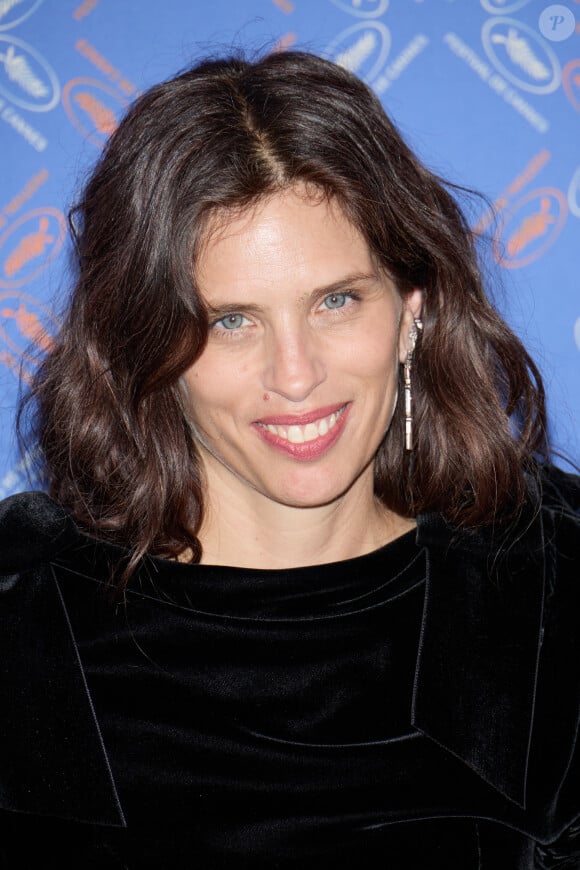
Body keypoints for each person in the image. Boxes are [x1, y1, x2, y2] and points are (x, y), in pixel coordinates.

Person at [0, 49, 578, 869]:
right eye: (232, 320)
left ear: (412, 312)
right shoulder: (26, 625)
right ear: (149, 345)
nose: (297, 377)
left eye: (336, 301)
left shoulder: (551, 593)